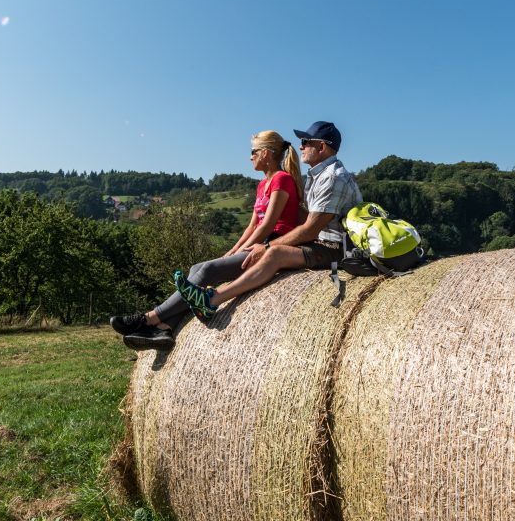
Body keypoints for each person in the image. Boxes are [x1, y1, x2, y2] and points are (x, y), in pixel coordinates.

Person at [110, 130, 304, 349]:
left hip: (271, 245)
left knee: (208, 270)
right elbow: (252, 225)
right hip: (258, 242)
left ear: (266, 153)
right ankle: (165, 328)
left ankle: (148, 318)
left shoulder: (282, 179)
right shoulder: (262, 185)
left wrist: (244, 249)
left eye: (253, 151)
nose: (250, 157)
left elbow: (268, 225)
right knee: (197, 269)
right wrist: (233, 250)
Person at [174, 120, 362, 322]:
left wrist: (266, 246)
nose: (301, 147)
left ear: (322, 146)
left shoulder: (333, 177)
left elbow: (310, 230)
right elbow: (308, 219)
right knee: (211, 267)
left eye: (306, 142)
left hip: (336, 248)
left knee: (274, 253)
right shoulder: (319, 176)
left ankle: (213, 300)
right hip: (321, 244)